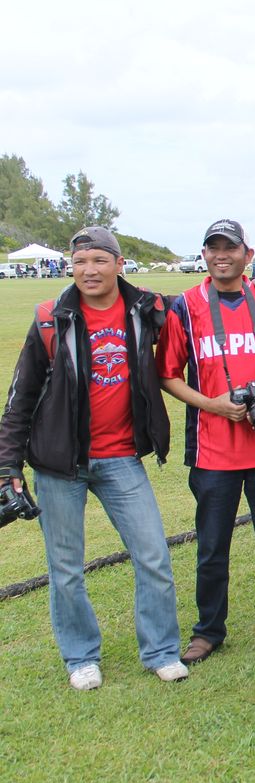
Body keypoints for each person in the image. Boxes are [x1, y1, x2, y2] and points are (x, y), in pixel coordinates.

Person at [0, 226, 186, 690]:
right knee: (65, 569)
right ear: (71, 265)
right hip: (59, 465)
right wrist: (8, 467)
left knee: (153, 556)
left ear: (119, 264)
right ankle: (80, 656)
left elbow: (196, 306)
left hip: (122, 458)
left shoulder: (146, 309)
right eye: (80, 261)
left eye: (99, 260)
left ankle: (161, 650)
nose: (89, 270)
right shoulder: (51, 318)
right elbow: (20, 400)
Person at [157, 219, 255, 664]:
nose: (221, 254)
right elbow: (168, 375)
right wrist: (213, 405)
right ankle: (208, 631)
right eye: (214, 247)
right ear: (205, 255)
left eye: (231, 247)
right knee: (211, 546)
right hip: (212, 447)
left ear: (248, 255)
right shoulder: (186, 306)